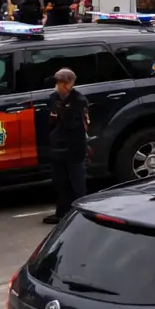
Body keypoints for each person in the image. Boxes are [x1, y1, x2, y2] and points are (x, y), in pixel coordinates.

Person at [42, 68, 90, 225]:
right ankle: (61, 213)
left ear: (69, 83)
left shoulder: (79, 101)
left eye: (60, 82)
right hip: (58, 149)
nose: (58, 86)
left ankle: (81, 215)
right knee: (60, 182)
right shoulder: (54, 98)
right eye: (57, 82)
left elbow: (79, 127)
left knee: (77, 184)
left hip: (74, 149)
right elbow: (51, 122)